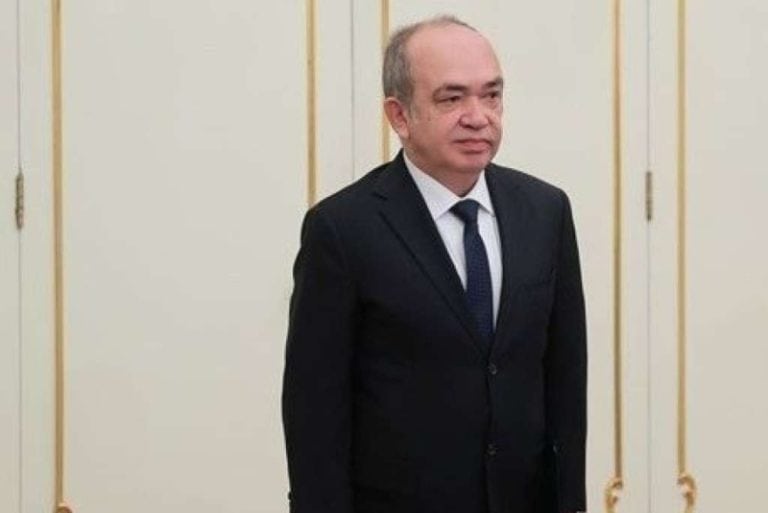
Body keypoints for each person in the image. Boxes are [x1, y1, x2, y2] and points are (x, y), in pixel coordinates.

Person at [282, 15, 586, 513]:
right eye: (452, 98)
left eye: (491, 95)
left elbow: (566, 384)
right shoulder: (342, 229)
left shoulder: (545, 211)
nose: (478, 116)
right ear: (399, 115)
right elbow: (314, 413)